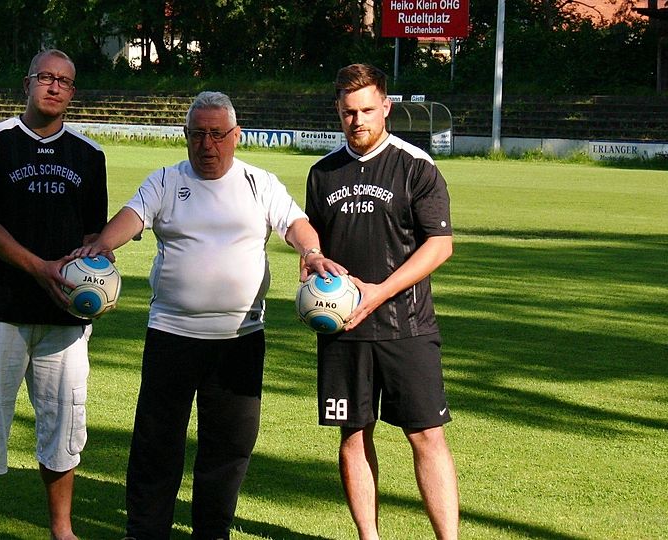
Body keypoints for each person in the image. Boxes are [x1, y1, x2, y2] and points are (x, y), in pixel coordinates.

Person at [76, 91, 344, 540]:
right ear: (185, 137)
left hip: (240, 340)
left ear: (235, 136)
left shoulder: (260, 183)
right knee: (156, 446)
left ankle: (212, 532)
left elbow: (295, 223)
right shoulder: (164, 180)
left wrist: (311, 252)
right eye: (198, 134)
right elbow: (131, 216)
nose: (207, 144)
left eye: (217, 134)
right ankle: (145, 533)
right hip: (171, 336)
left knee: (229, 449)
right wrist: (104, 244)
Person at [0, 48, 108, 540]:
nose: (54, 86)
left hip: (64, 318)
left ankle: (62, 531)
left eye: (64, 81)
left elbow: (92, 237)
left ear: (73, 91)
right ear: (27, 83)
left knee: (64, 429)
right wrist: (40, 267)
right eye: (46, 77)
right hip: (0, 312)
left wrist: (97, 274)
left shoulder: (89, 154)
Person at [303, 63, 459, 540]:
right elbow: (315, 245)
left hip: (406, 326)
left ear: (386, 107)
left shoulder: (416, 166)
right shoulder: (323, 173)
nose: (358, 120)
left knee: (427, 436)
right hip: (344, 330)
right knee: (352, 435)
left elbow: (440, 245)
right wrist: (310, 268)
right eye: (349, 112)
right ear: (338, 110)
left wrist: (379, 294)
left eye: (368, 109)